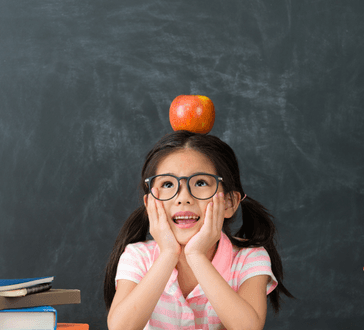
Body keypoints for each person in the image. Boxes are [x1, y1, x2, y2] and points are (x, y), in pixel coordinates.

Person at [104, 130, 293, 330]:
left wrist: (197, 256)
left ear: (229, 202)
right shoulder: (138, 256)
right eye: (167, 184)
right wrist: (168, 254)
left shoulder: (249, 258)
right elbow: (120, 327)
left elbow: (247, 327)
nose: (183, 197)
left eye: (200, 183)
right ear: (150, 203)